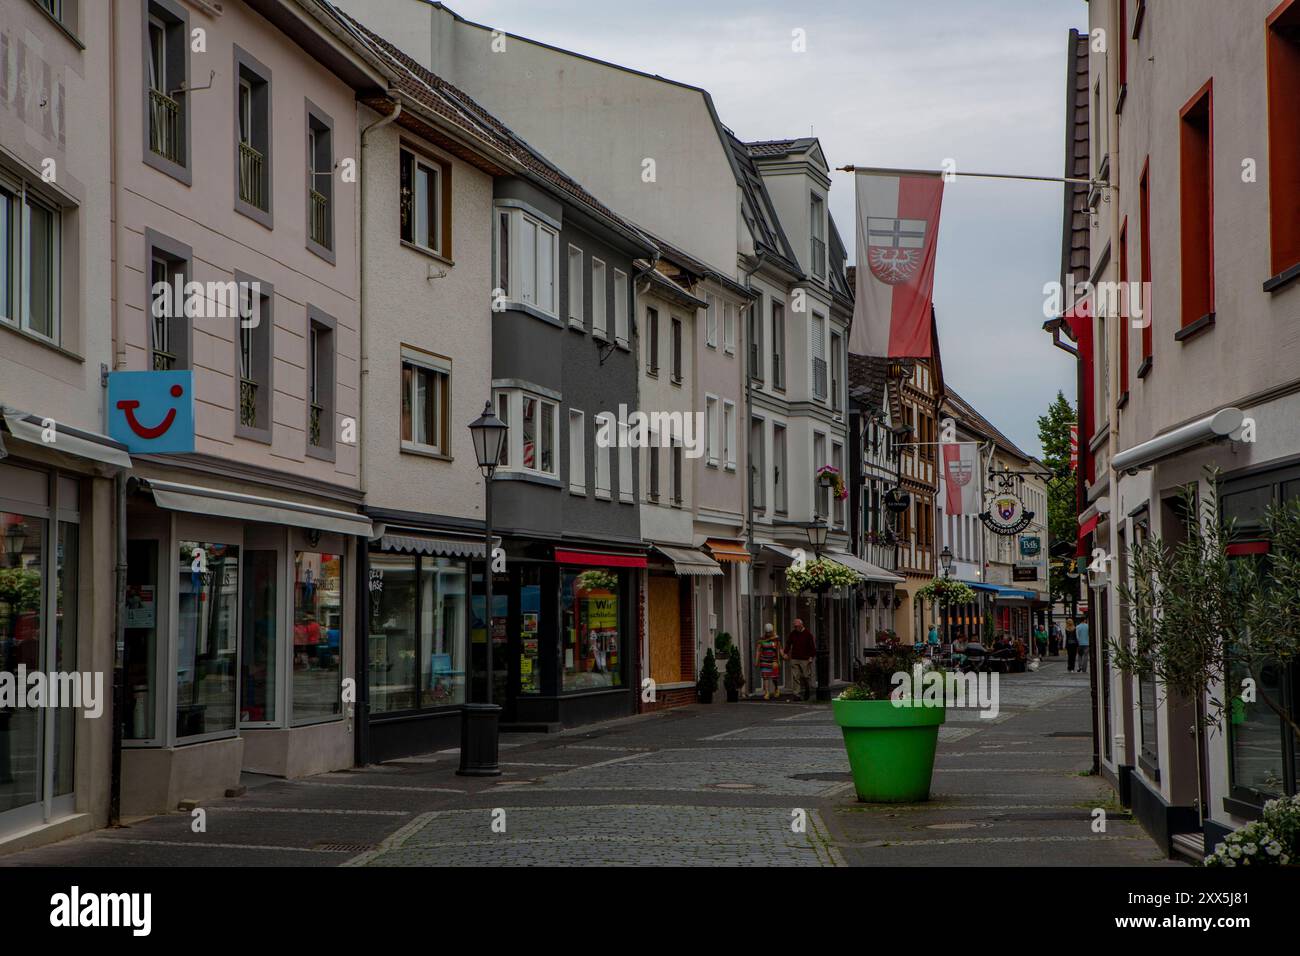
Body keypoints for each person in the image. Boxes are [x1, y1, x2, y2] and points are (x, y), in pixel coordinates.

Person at [785, 618, 817, 701]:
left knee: (806, 676)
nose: (795, 628)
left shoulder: (808, 634)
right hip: (795, 658)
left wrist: (811, 657)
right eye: (794, 626)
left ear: (801, 625)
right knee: (796, 677)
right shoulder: (793, 634)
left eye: (797, 626)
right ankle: (796, 694)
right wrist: (785, 653)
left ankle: (807, 691)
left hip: (805, 659)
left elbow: (812, 647)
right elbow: (788, 643)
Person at [756, 624, 783, 700]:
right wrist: (756, 660)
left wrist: (783, 655)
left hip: (774, 661)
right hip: (764, 660)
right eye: (767, 632)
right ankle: (767, 692)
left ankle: (776, 688)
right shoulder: (761, 639)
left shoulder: (776, 639)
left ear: (772, 631)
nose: (768, 634)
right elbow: (758, 650)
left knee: (774, 677)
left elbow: (780, 648)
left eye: (770, 632)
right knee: (765, 677)